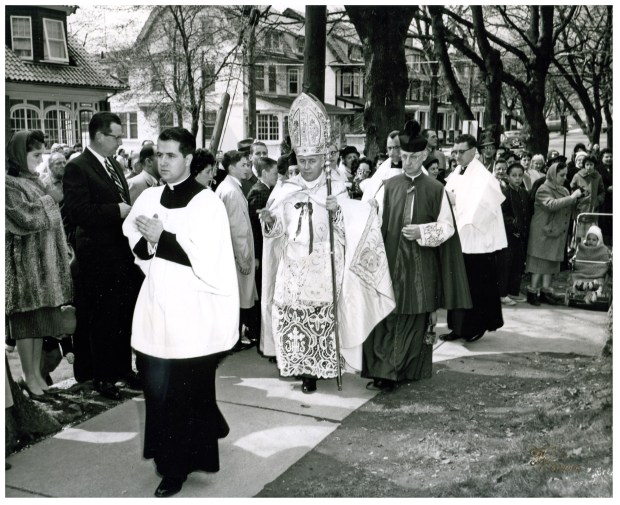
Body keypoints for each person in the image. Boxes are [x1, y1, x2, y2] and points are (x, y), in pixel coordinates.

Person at [122, 127, 238, 498]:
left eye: (171, 155)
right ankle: (170, 460)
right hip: (157, 307)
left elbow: (210, 259)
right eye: (159, 154)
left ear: (189, 159)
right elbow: (136, 247)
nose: (163, 162)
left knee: (186, 391)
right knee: (158, 391)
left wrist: (164, 238)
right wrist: (147, 242)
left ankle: (179, 468)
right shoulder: (151, 196)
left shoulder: (207, 203)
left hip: (193, 312)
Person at [259, 92, 395, 394]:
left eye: (312, 161)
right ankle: (303, 371)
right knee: (295, 317)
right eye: (302, 160)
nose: (306, 166)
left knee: (322, 317)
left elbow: (352, 227)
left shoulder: (337, 190)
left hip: (324, 265)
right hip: (293, 266)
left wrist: (338, 212)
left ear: (323, 159)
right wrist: (269, 221)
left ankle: (324, 367)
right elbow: (278, 229)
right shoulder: (286, 189)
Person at [362, 120, 471, 390]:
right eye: (405, 156)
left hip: (420, 266)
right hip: (389, 262)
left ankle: (401, 371)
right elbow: (375, 222)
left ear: (424, 156)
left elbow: (447, 227)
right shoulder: (389, 185)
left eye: (413, 157)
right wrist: (370, 209)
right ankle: (382, 371)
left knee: (413, 319)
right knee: (386, 316)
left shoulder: (436, 189)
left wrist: (422, 231)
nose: (408, 161)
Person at [63, 112, 143, 398]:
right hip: (96, 255)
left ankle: (122, 370)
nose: (120, 141)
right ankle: (101, 377)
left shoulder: (113, 164)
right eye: (115, 136)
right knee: (100, 319)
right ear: (98, 136)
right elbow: (77, 212)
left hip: (119, 253)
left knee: (120, 315)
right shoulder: (78, 167)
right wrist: (115, 211)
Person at [5, 130, 73, 397]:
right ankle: (28, 376)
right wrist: (49, 200)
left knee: (38, 326)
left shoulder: (34, 181)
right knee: (25, 326)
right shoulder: (9, 183)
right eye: (35, 154)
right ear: (19, 155)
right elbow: (22, 219)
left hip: (42, 268)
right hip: (24, 268)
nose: (40, 159)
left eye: (42, 153)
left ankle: (35, 376)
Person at [442, 133, 507, 342]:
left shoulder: (483, 177)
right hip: (459, 240)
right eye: (455, 151)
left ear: (473, 152)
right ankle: (457, 327)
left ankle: (475, 327)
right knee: (459, 285)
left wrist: (455, 200)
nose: (457, 156)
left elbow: (484, 207)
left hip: (477, 242)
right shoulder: (458, 171)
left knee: (476, 288)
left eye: (461, 152)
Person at [215, 150, 258, 348]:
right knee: (239, 297)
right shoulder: (231, 191)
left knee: (240, 296)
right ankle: (234, 340)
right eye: (243, 165)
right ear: (231, 167)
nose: (247, 168)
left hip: (234, 253)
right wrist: (243, 257)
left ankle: (235, 338)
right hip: (236, 253)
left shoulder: (231, 188)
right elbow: (237, 228)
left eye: (248, 164)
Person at [525, 161, 583, 305]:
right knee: (538, 263)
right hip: (542, 233)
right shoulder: (543, 189)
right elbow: (551, 205)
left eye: (566, 175)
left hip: (555, 232)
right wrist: (571, 198)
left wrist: (578, 198)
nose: (564, 178)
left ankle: (545, 292)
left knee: (550, 264)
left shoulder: (564, 190)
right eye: (561, 175)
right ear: (552, 174)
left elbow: (567, 205)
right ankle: (532, 292)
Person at [247, 157, 279, 348]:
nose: (277, 176)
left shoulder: (265, 190)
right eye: (274, 173)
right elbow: (256, 228)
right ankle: (261, 337)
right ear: (265, 172)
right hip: (261, 251)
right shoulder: (260, 193)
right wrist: (258, 255)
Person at [498, 163, 530, 306]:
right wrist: (513, 224)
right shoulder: (504, 193)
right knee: (506, 264)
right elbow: (502, 215)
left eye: (520, 175)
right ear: (508, 176)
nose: (517, 179)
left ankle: (513, 292)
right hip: (507, 235)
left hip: (520, 235)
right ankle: (502, 294)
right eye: (514, 176)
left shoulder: (524, 192)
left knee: (518, 263)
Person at [570, 154, 605, 240]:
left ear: (594, 165)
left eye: (591, 165)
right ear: (584, 165)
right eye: (587, 164)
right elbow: (572, 187)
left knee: (592, 234)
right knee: (579, 235)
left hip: (593, 209)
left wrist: (598, 201)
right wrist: (577, 196)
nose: (589, 167)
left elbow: (602, 191)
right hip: (581, 208)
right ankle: (578, 250)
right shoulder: (578, 176)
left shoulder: (598, 177)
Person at [572, 225, 610, 304]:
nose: (590, 242)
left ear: (598, 240)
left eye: (594, 240)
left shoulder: (603, 249)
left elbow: (604, 264)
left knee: (599, 282)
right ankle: (584, 286)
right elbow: (578, 262)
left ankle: (593, 291)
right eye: (588, 239)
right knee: (577, 281)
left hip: (597, 276)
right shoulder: (582, 248)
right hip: (582, 274)